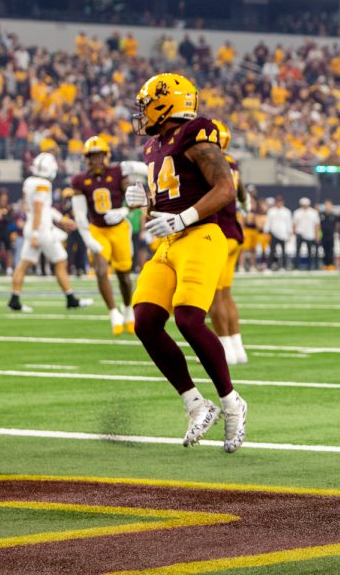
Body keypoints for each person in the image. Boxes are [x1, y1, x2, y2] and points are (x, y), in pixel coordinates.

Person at [123, 73, 247, 453]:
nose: (141, 114)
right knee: (144, 321)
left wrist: (182, 218)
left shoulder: (197, 132)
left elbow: (225, 189)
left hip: (202, 235)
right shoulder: (153, 147)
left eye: (146, 105)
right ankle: (196, 403)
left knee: (189, 318)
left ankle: (231, 403)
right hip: (170, 240)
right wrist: (145, 203)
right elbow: (162, 210)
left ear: (166, 102)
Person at [70, 136, 147, 335]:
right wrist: (88, 239)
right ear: (86, 159)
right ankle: (113, 312)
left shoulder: (117, 172)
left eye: (99, 155)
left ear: (106, 156)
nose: (96, 160)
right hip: (97, 229)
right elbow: (79, 215)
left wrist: (124, 211)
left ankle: (128, 309)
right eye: (92, 156)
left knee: (123, 275)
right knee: (101, 270)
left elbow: (133, 197)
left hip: (119, 227)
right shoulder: (80, 180)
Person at [7, 153, 93, 312]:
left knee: (23, 265)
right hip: (41, 230)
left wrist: (61, 220)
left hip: (32, 226)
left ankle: (14, 299)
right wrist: (35, 234)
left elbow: (40, 208)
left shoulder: (29, 182)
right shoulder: (43, 184)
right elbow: (39, 208)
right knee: (61, 261)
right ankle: (71, 299)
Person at [208, 120, 249, 366]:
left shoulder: (211, 162)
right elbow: (243, 194)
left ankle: (225, 348)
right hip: (234, 231)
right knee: (226, 295)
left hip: (220, 232)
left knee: (215, 295)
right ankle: (237, 346)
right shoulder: (232, 162)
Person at [264, 197, 293, 270]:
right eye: (278, 202)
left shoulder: (287, 211)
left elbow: (289, 223)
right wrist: (266, 231)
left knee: (283, 252)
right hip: (274, 233)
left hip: (283, 234)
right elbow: (268, 222)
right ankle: (269, 267)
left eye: (280, 202)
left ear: (283, 202)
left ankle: (283, 267)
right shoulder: (271, 211)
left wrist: (289, 234)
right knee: (272, 251)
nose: (279, 203)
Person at [292, 197, 320, 270]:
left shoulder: (313, 212)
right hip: (300, 233)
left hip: (310, 234)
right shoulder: (297, 212)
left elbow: (317, 225)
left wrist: (318, 235)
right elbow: (294, 224)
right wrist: (294, 233)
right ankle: (296, 266)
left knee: (310, 251)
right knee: (297, 251)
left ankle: (310, 266)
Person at [319, 199, 338, 270]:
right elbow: (318, 226)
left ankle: (330, 264)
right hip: (323, 236)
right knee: (324, 250)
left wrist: (336, 233)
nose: (327, 206)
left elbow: (337, 225)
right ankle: (325, 264)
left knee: (330, 250)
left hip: (331, 236)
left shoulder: (334, 216)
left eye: (329, 205)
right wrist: (319, 235)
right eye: (326, 205)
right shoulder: (321, 215)